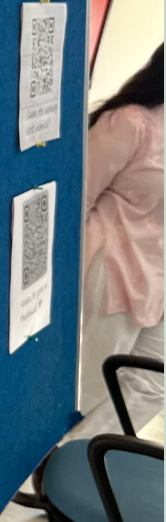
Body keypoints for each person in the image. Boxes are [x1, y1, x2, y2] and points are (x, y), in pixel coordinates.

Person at [73, 44, 163, 439]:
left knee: (153, 383)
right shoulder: (131, 123)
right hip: (111, 275)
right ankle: (58, 469)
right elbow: (78, 199)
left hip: (157, 282)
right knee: (90, 388)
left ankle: (80, 456)